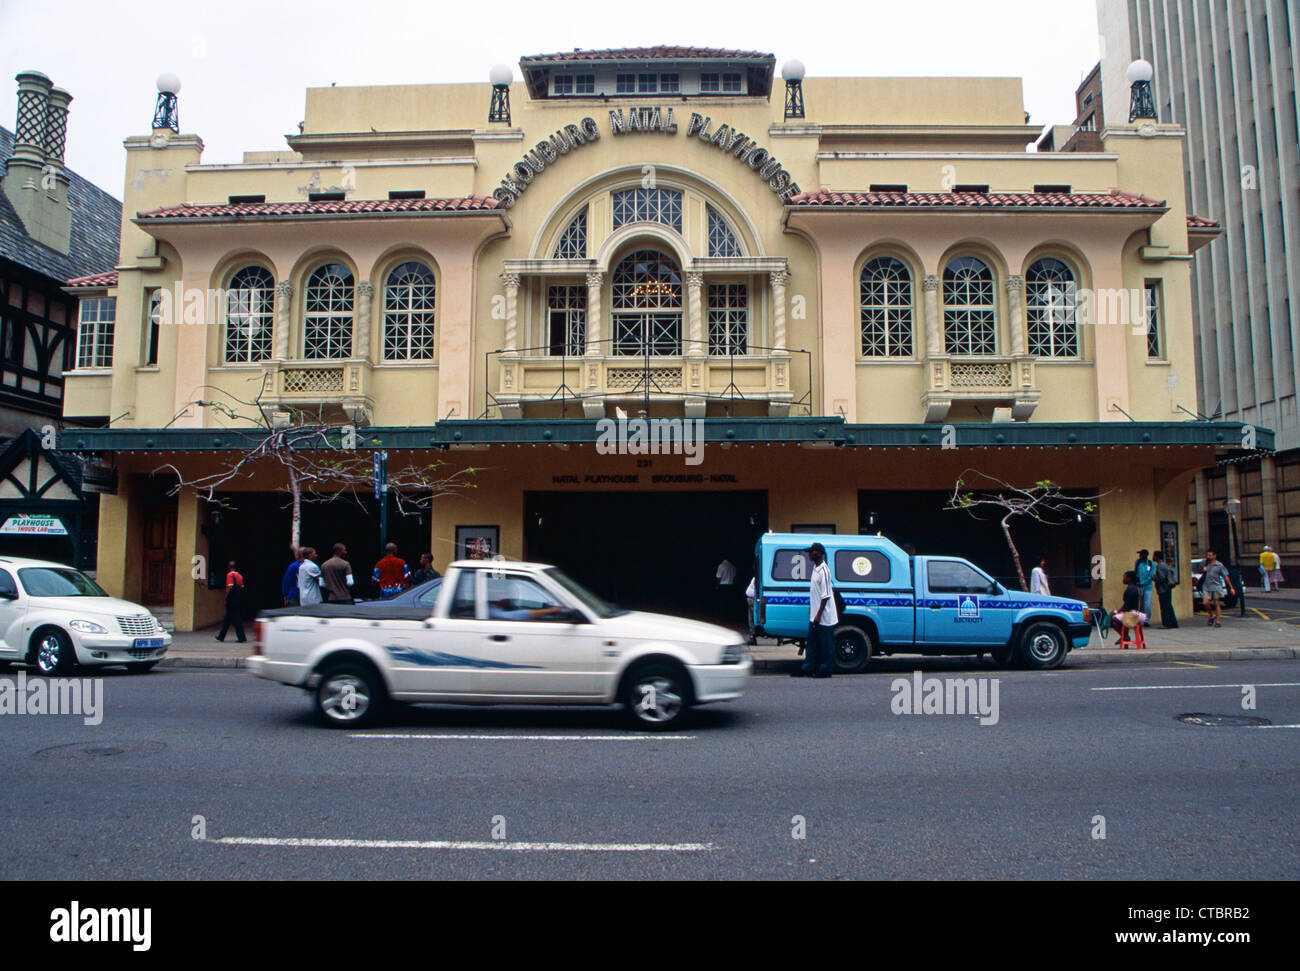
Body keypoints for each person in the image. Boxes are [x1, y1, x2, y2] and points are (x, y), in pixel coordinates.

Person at [793, 542, 837, 679]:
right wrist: (812, 608)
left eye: (811, 552)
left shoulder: (824, 571)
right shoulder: (815, 568)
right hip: (815, 614)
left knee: (825, 644)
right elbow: (816, 593)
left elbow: (826, 596)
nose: (809, 554)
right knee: (811, 644)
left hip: (824, 617)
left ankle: (825, 670)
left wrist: (818, 614)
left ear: (818, 553)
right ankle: (807, 668)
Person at [1200, 550, 1235, 628]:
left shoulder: (1219, 565)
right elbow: (1199, 571)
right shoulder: (1205, 563)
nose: (1209, 557)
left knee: (1217, 603)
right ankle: (1211, 616)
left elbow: (1225, 576)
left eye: (1210, 555)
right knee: (1205, 603)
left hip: (1216, 586)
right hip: (1206, 586)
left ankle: (1218, 621)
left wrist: (1231, 587)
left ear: (1214, 556)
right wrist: (1203, 570)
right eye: (1208, 555)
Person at [1111, 570, 1146, 644]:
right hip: (1141, 615)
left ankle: (1125, 636)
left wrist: (1116, 611)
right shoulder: (1137, 588)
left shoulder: (1130, 589)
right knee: (1119, 618)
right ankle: (1124, 636)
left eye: (1124, 577)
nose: (1123, 579)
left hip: (1134, 615)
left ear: (1129, 579)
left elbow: (1126, 606)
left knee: (1113, 619)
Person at [215, 560, 247, 642]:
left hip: (232, 600)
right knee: (227, 618)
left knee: (236, 618)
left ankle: (242, 637)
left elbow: (230, 588)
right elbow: (242, 587)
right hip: (238, 599)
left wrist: (226, 598)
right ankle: (221, 636)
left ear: (229, 567)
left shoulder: (230, 575)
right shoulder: (239, 575)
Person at [1153, 550, 1179, 628]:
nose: (1153, 557)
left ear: (1157, 557)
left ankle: (1166, 623)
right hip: (1167, 588)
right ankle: (1173, 622)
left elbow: (1161, 578)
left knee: (1164, 606)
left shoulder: (1160, 566)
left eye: (1154, 556)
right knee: (1168, 606)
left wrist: (1153, 577)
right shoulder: (1164, 565)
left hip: (1163, 589)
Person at [1134, 549, 1155, 623]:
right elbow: (1136, 572)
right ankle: (1140, 618)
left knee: (1147, 604)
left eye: (1141, 554)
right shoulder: (1138, 562)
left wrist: (1144, 582)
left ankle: (1146, 620)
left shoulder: (1151, 564)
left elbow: (1151, 575)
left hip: (1147, 586)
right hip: (1139, 586)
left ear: (1145, 555)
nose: (1140, 556)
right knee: (1140, 604)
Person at [744, 575, 757, 645]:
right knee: (751, 619)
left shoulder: (758, 577)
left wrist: (754, 599)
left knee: (752, 619)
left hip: (752, 599)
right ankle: (752, 636)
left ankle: (752, 637)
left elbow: (757, 588)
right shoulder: (756, 577)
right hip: (750, 598)